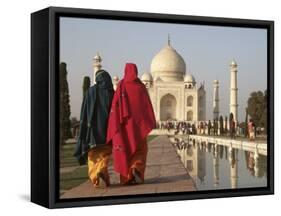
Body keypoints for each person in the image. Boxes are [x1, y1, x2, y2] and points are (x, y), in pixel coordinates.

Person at [107, 63, 156, 185]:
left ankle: (127, 177)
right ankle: (136, 169)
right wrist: (146, 123)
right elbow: (147, 107)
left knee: (125, 149)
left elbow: (115, 106)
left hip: (124, 126)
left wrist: (115, 123)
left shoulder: (121, 85)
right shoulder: (141, 87)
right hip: (139, 127)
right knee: (140, 150)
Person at [74, 70, 114, 188]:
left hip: (92, 133)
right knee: (105, 154)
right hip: (107, 131)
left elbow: (85, 111)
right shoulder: (112, 92)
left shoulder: (90, 91)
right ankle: (102, 170)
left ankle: (96, 178)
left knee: (92, 156)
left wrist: (84, 126)